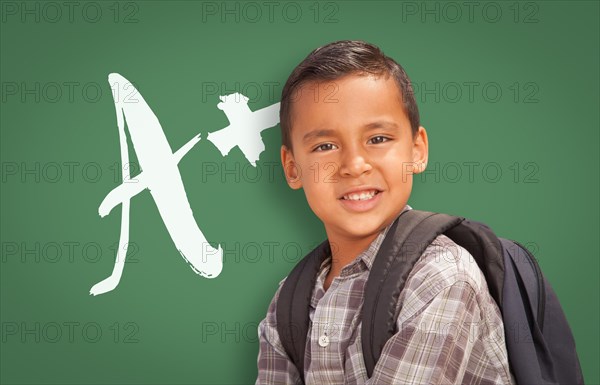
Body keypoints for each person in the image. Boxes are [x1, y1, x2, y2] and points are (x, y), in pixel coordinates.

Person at [255, 40, 515, 384]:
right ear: (292, 168)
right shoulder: (289, 301)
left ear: (417, 150)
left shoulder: (440, 277)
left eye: (378, 139)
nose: (354, 165)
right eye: (325, 146)